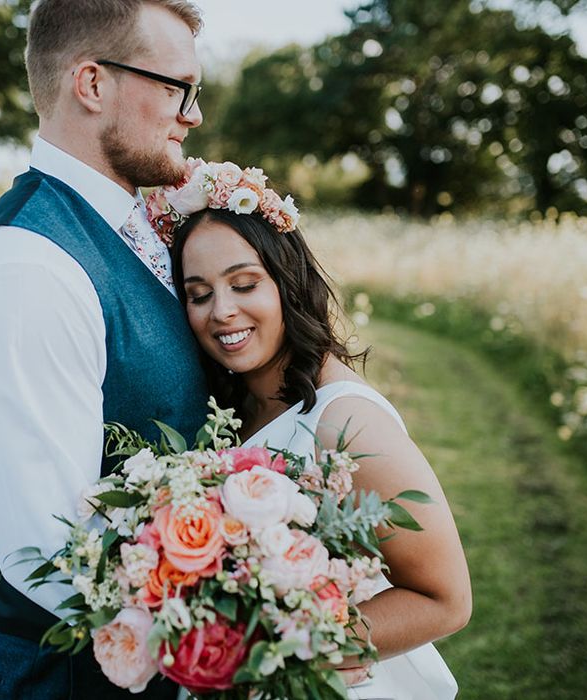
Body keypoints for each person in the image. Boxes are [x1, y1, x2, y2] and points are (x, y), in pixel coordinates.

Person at [0, 1, 209, 697]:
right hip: (51, 677)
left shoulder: (132, 223)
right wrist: (236, 634)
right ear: (92, 84)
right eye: (178, 88)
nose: (193, 115)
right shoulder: (24, 271)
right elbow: (52, 554)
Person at [155, 160, 473, 699]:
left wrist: (273, 651)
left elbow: (445, 600)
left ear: (286, 280)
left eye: (244, 284)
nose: (222, 311)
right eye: (199, 293)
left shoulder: (345, 421)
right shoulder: (232, 403)